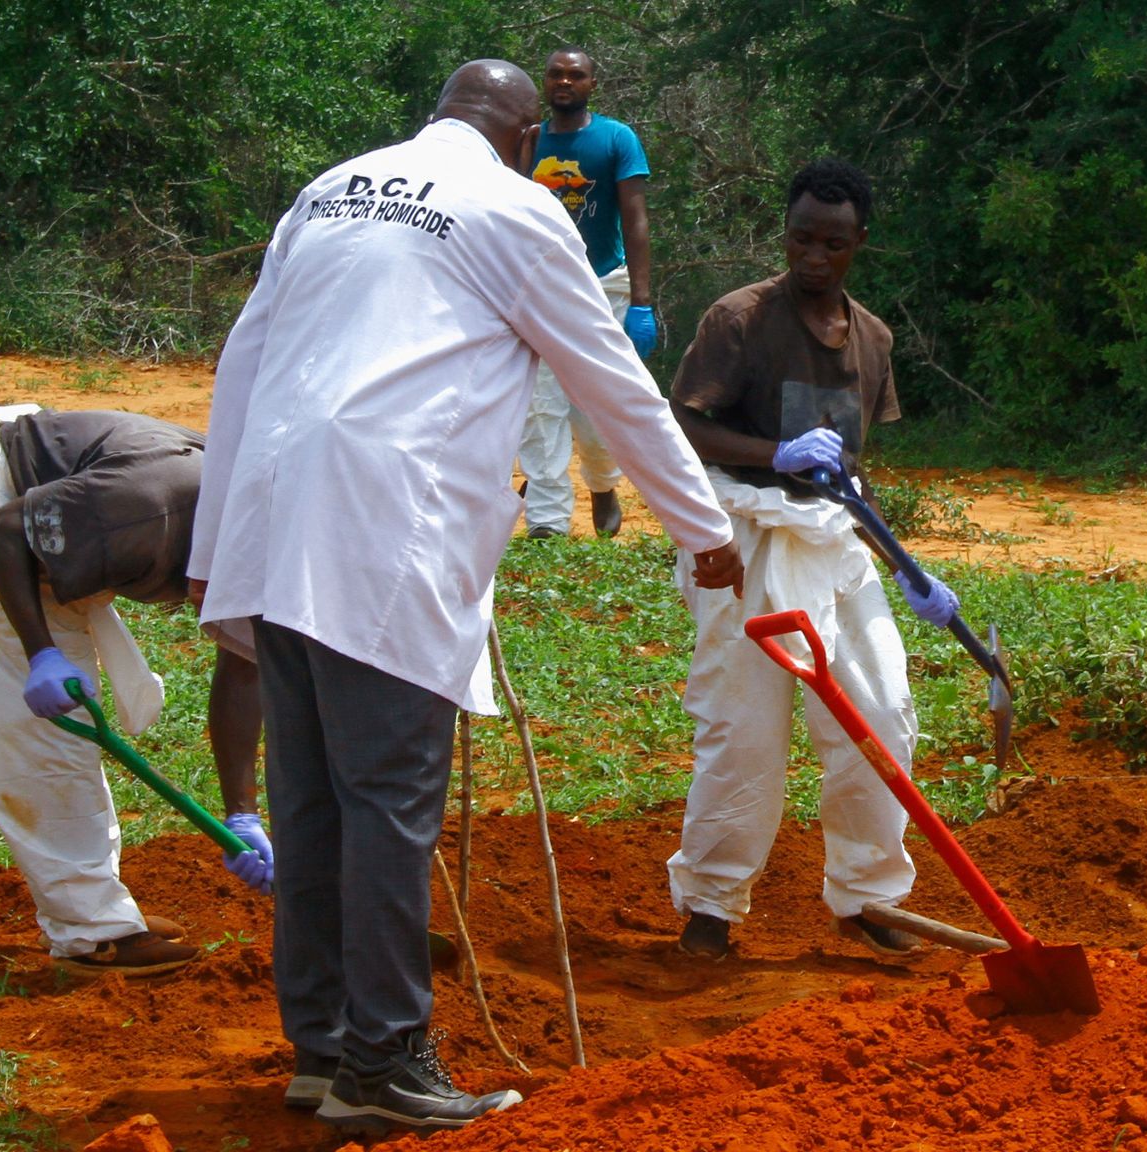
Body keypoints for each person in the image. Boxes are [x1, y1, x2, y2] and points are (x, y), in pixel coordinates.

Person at [191, 60, 743, 1133]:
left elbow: (242, 366)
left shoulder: (330, 187)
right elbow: (606, 377)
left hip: (276, 513)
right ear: (521, 131)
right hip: (380, 527)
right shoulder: (513, 205)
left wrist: (219, 549)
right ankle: (386, 1060)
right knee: (389, 808)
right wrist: (704, 528)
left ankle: (320, 1051)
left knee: (310, 804)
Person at [662, 158, 962, 963]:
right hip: (747, 536)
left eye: (833, 243)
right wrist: (774, 453)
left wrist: (904, 565)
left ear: (860, 243)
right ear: (785, 233)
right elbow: (682, 428)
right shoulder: (739, 318)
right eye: (801, 238)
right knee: (745, 726)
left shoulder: (872, 338)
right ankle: (712, 907)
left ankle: (869, 897)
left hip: (833, 540)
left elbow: (850, 475)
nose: (814, 257)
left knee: (882, 712)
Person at [0, 406, 272, 980]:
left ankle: (96, 907)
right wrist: (40, 653)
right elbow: (7, 531)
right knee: (44, 741)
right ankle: (92, 934)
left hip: (69, 518)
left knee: (65, 744)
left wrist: (242, 816)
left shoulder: (256, 542)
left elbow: (244, 666)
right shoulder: (153, 507)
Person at [515, 47, 657, 539]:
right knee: (540, 405)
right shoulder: (528, 142)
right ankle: (549, 521)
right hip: (541, 287)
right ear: (545, 80)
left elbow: (635, 220)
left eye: (576, 75)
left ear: (592, 83)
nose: (564, 82)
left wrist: (642, 302)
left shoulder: (616, 138)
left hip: (602, 286)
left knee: (596, 406)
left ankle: (601, 485)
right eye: (556, 74)